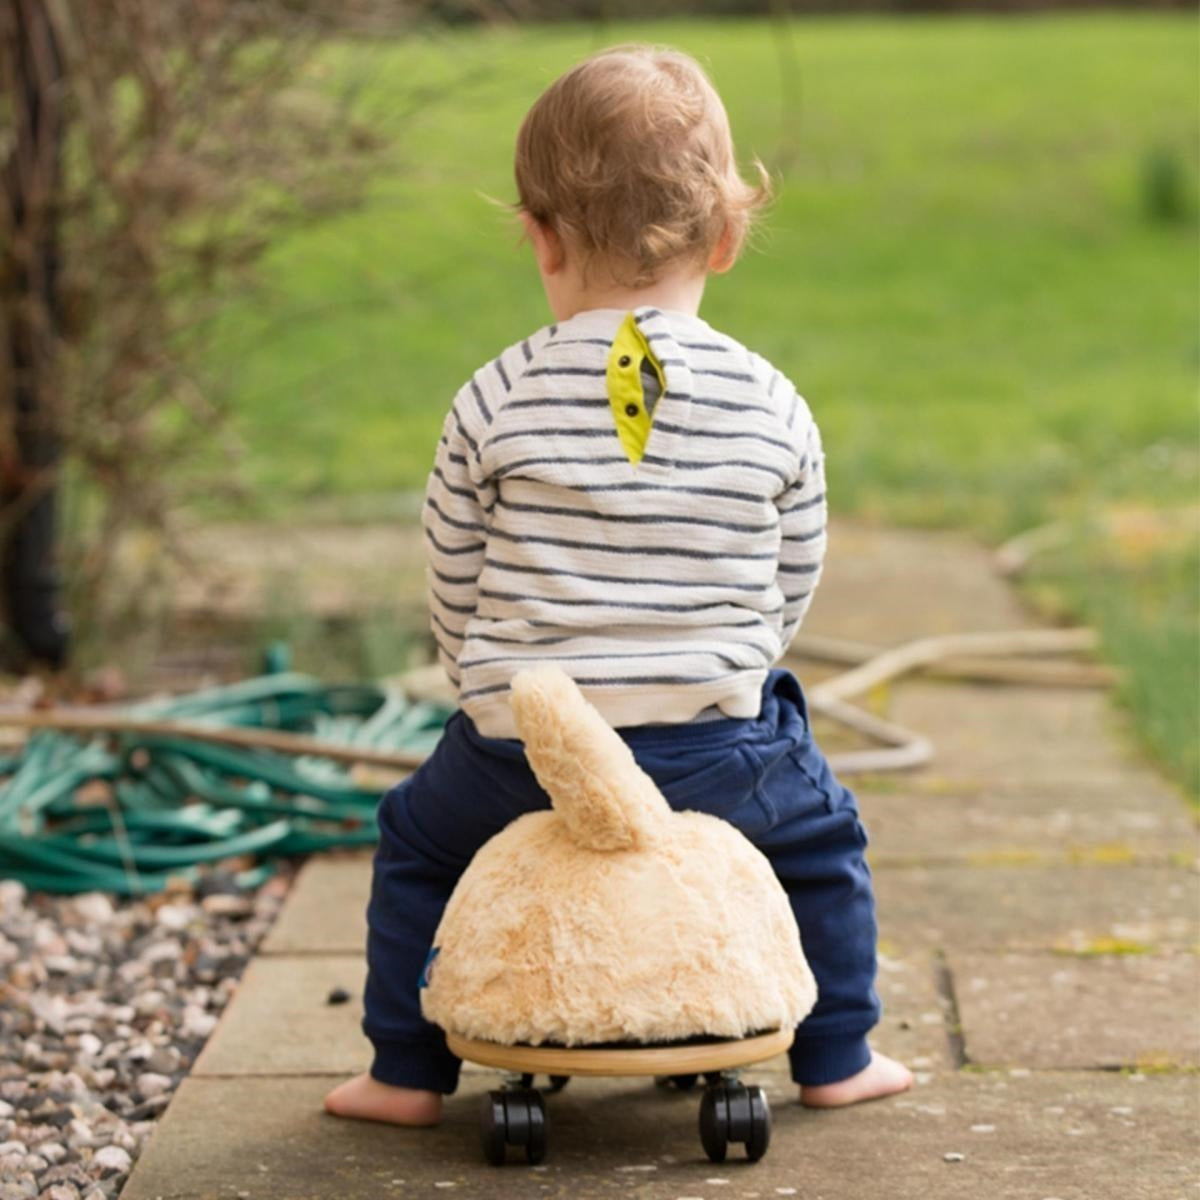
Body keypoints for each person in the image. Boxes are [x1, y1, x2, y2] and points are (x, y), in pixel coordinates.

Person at [325, 44, 913, 1128]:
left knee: (415, 840)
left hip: (521, 750)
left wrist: (484, 683)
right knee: (822, 840)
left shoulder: (494, 396)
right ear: (728, 237)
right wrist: (736, 659)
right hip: (716, 751)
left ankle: (403, 1072)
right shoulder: (772, 402)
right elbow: (793, 572)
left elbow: (452, 566)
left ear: (541, 239)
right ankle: (838, 1052)